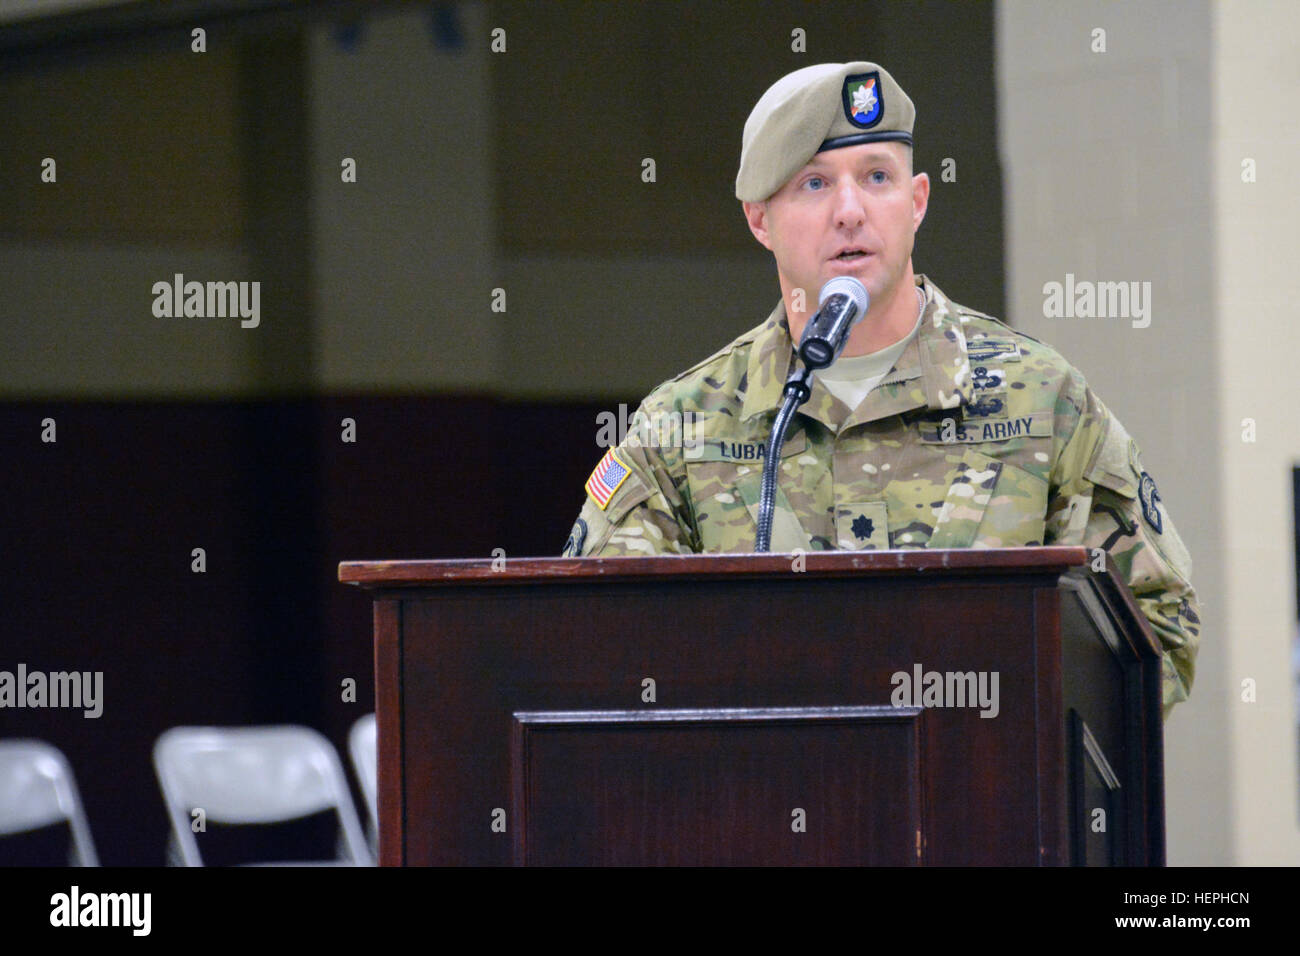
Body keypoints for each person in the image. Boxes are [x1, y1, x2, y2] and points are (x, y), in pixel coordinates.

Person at [561, 61, 1200, 719]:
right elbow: (596, 650)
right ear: (759, 221)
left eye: (876, 178)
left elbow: (1160, 627)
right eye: (813, 183)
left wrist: (1014, 750)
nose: (850, 211)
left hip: (984, 813)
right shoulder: (681, 427)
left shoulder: (1039, 400)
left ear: (917, 200)